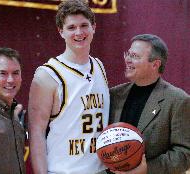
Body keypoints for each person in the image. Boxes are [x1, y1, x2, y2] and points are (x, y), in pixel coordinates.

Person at [28, 0, 109, 173]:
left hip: (101, 169)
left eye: (84, 25)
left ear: (94, 27)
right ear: (61, 31)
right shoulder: (47, 75)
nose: (79, 32)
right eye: (71, 27)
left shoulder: (99, 66)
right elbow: (36, 133)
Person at [109, 34, 190, 174]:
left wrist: (146, 169)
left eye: (135, 56)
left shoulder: (178, 100)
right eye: (128, 54)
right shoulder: (113, 95)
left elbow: (184, 154)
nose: (128, 60)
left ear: (155, 64)